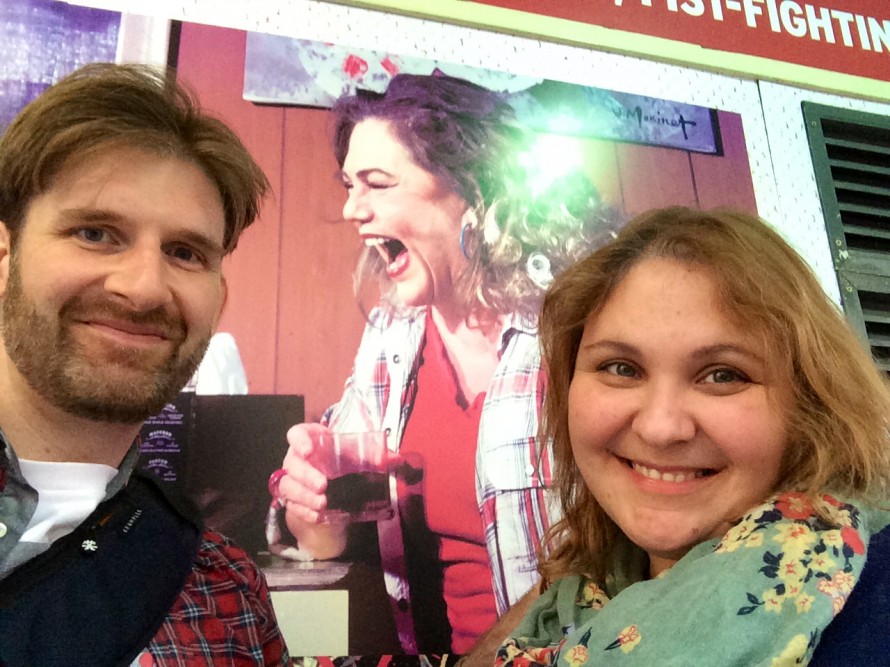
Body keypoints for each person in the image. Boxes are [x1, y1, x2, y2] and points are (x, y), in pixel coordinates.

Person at [266, 73, 617, 654]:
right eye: (349, 184)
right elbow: (325, 538)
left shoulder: (577, 327)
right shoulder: (390, 340)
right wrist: (312, 505)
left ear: (474, 190)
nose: (352, 208)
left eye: (377, 183)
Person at [496, 206, 890, 666]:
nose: (661, 428)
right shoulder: (572, 603)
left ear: (809, 403)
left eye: (723, 375)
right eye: (621, 368)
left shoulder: (873, 600)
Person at [0, 63, 289, 665]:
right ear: (5, 255)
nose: (144, 288)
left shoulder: (223, 593)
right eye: (96, 233)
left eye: (184, 253)